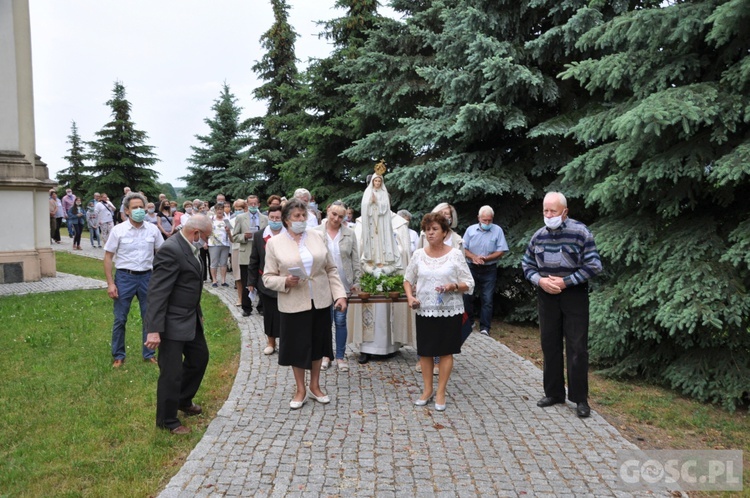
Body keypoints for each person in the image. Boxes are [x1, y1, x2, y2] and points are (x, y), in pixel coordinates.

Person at [521, 192, 603, 418]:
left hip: (573, 295)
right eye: (545, 211)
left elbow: (594, 265)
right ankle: (554, 392)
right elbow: (527, 264)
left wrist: (566, 282)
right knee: (550, 344)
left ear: (564, 212)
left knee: (577, 348)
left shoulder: (580, 232)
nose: (548, 215)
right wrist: (540, 281)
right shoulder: (538, 236)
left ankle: (579, 399)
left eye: (553, 211)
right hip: (546, 295)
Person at [262, 198, 347, 409]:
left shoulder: (318, 236)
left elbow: (330, 269)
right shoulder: (274, 243)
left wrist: (340, 295)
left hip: (319, 300)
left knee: (318, 344)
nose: (301, 220)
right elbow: (267, 277)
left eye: (303, 216)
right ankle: (300, 388)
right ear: (286, 220)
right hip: (293, 302)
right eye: (296, 216)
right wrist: (284, 282)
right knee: (297, 347)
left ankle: (315, 386)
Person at [145, 214, 213, 435]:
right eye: (206, 238)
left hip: (190, 318)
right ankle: (167, 420)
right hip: (171, 322)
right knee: (171, 372)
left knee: (199, 357)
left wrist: (198, 312)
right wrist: (153, 330)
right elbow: (157, 293)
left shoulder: (190, 248)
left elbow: (190, 286)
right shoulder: (171, 250)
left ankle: (183, 399)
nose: (207, 242)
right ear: (196, 233)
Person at [404, 212, 474, 412]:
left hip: (449, 311)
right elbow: (407, 279)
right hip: (424, 310)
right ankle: (427, 390)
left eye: (434, 229)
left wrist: (452, 286)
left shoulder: (455, 255)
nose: (430, 233)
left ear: (445, 232)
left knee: (445, 351)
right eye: (427, 230)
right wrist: (410, 297)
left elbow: (469, 283)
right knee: (425, 352)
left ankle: (441, 391)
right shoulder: (418, 254)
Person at [103, 192, 164, 367]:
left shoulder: (152, 229)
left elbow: (161, 253)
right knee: (120, 318)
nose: (139, 210)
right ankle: (118, 355)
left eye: (141, 207)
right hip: (124, 278)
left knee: (149, 317)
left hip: (147, 277)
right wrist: (110, 283)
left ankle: (149, 353)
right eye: (134, 208)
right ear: (127, 211)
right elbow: (108, 257)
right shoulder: (118, 230)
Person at [316, 202, 361, 372]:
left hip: (343, 283)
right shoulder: (316, 233)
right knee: (325, 322)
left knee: (340, 321)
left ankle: (341, 357)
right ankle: (326, 355)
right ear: (328, 211)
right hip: (323, 283)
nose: (336, 218)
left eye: (340, 216)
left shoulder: (349, 234)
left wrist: (357, 281)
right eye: (334, 214)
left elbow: (355, 259)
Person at [462, 205, 508, 336]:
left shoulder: (497, 230)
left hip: (489, 269)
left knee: (487, 299)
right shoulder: (470, 230)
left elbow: (501, 250)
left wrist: (486, 258)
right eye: (484, 220)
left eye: (489, 220)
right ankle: (469, 322)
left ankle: (485, 327)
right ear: (479, 218)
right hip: (471, 267)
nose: (487, 223)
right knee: (467, 296)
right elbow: (463, 248)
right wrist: (473, 257)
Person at [247, 205, 284, 355]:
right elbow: (254, 260)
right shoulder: (259, 236)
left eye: (278, 218)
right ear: (268, 217)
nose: (275, 221)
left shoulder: (288, 234)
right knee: (269, 313)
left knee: (285, 314)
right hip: (266, 281)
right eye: (272, 218)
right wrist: (251, 281)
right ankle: (271, 342)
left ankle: (286, 342)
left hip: (284, 281)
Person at [231, 196, 267, 315]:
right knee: (246, 281)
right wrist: (244, 237)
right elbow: (234, 236)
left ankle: (261, 306)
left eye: (255, 203)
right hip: (245, 253)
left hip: (261, 253)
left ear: (259, 204)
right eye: (250, 203)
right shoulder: (241, 218)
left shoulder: (265, 219)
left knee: (261, 280)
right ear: (247, 204)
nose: (253, 205)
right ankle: (246, 307)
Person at [360, 174, 400, 273]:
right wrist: (370, 202)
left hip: (381, 222)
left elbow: (386, 206)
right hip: (370, 221)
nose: (377, 183)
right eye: (375, 181)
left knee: (380, 240)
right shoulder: (368, 192)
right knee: (371, 239)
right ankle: (371, 259)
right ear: (372, 181)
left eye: (379, 181)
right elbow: (364, 206)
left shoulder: (383, 192)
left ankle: (381, 260)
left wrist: (376, 201)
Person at [208, 203, 232, 287]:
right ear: (215, 210)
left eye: (221, 209)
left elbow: (230, 233)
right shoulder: (211, 219)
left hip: (225, 244)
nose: (219, 211)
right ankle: (214, 280)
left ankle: (223, 280)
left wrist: (228, 231)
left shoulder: (226, 220)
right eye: (217, 209)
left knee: (223, 263)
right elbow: (206, 231)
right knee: (214, 262)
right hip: (213, 243)